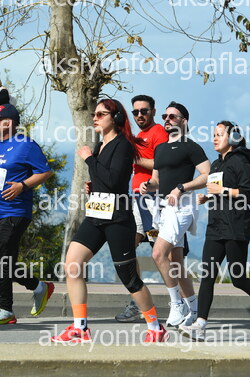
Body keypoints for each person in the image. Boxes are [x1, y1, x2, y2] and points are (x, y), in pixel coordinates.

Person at [51, 98, 167, 343]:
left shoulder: (123, 145)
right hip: (96, 214)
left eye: (100, 114)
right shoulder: (100, 144)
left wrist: (89, 160)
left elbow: (114, 181)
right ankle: (80, 328)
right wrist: (94, 185)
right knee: (72, 265)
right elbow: (105, 178)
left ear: (115, 118)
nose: (94, 118)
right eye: (94, 114)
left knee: (129, 278)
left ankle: (155, 327)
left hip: (117, 218)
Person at [179, 121, 250, 341]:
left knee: (238, 278)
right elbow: (220, 192)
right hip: (216, 226)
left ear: (233, 137)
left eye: (219, 134)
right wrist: (209, 197)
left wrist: (222, 190)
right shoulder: (217, 164)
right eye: (213, 134)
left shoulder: (240, 161)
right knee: (207, 276)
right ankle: (200, 325)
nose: (214, 138)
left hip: (236, 225)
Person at [114, 95, 193, 323]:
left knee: (166, 255)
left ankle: (186, 305)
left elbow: (162, 164)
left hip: (154, 201)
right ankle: (139, 302)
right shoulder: (138, 136)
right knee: (127, 248)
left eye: (144, 111)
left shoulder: (158, 132)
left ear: (153, 112)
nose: (139, 115)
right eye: (136, 112)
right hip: (137, 200)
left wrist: (134, 157)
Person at [0, 103, 54, 324]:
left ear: (8, 123)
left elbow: (45, 172)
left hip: (15, 210)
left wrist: (22, 185)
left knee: (1, 255)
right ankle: (38, 286)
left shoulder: (25, 144)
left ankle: (6, 309)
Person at [140, 101, 210, 328]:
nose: (167, 120)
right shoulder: (160, 149)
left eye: (172, 116)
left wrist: (181, 188)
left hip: (183, 207)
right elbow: (157, 180)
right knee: (176, 263)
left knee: (158, 254)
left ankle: (177, 304)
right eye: (165, 116)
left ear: (183, 121)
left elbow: (207, 175)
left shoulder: (191, 147)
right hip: (163, 208)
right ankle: (194, 310)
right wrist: (148, 185)